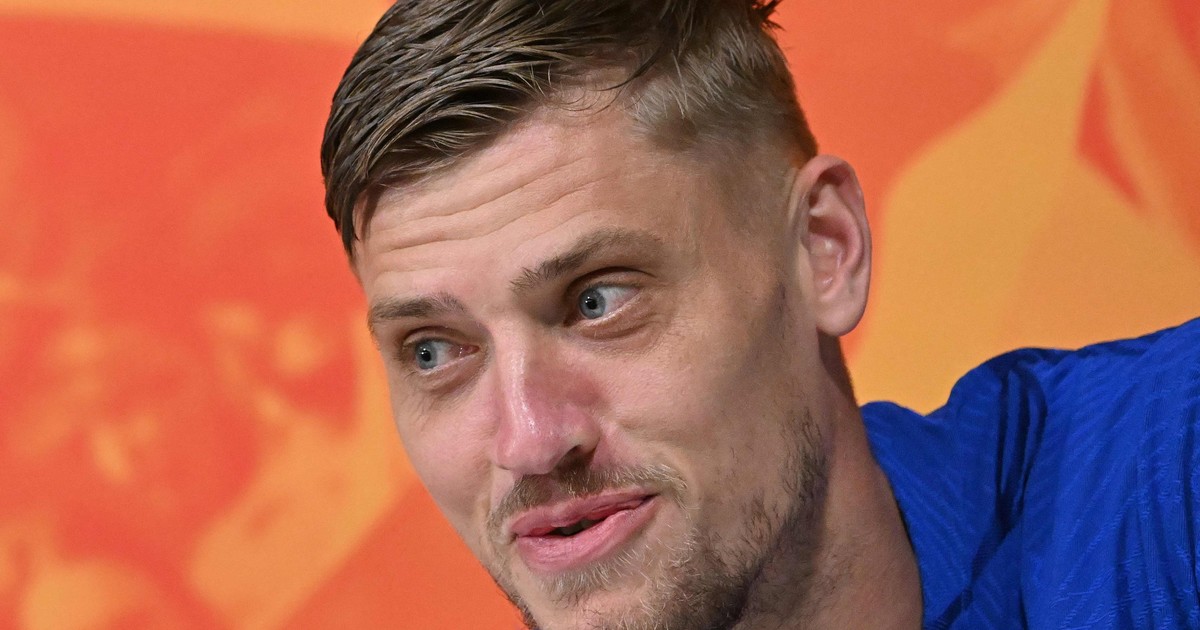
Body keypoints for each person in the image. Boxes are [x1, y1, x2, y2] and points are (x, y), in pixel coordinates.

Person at [318, 1, 1200, 628]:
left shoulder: (1163, 486)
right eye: (433, 351)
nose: (530, 440)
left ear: (824, 248)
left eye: (597, 301)